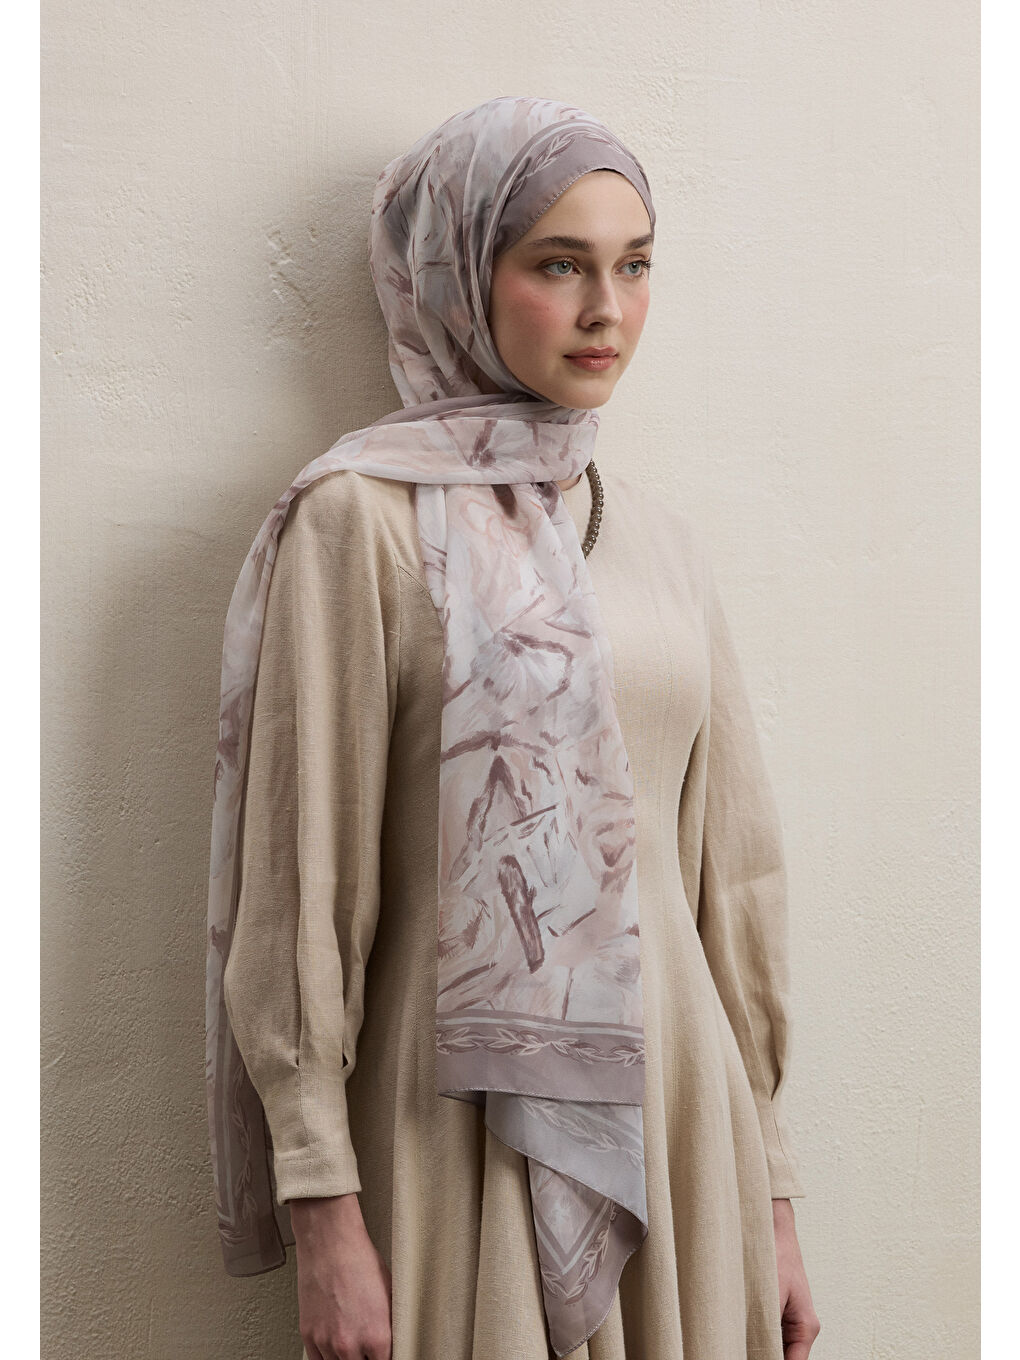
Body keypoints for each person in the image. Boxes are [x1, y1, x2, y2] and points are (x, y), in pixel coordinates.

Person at [205, 95, 822, 1360]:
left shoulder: (661, 542)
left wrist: (770, 1187)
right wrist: (321, 1201)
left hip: (678, 1117)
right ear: (456, 276)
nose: (607, 310)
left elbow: (732, 876)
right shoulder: (359, 522)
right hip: (453, 1131)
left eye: (634, 266)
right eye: (559, 265)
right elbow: (303, 886)